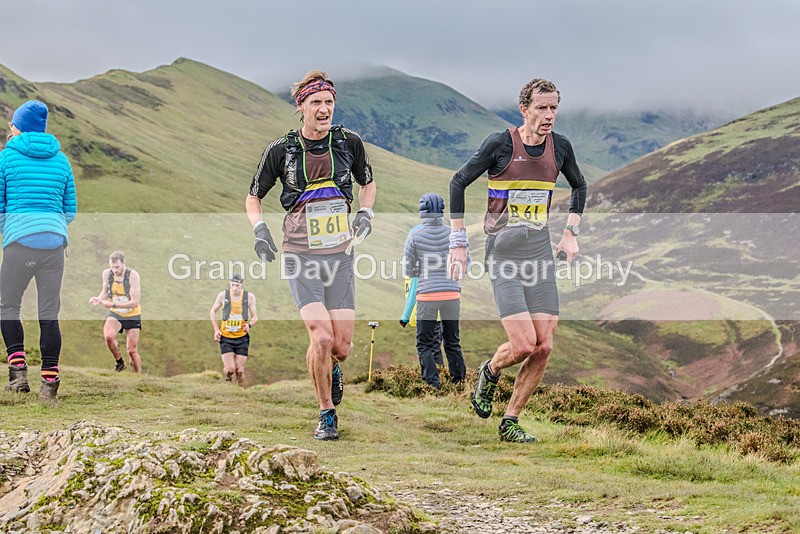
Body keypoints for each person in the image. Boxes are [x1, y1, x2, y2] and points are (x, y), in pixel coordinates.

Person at [449, 78, 587, 443]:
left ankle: (510, 420)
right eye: (541, 108)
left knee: (545, 345)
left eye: (554, 108)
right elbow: (458, 182)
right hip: (503, 254)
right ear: (523, 109)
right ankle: (491, 370)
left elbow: (580, 186)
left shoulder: (560, 149)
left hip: (539, 253)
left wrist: (570, 232)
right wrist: (458, 242)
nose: (549, 115)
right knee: (524, 344)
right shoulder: (500, 145)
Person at [246, 70, 376, 440]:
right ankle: (326, 414)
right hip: (299, 254)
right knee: (320, 337)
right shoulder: (281, 150)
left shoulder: (349, 142)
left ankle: (331, 369)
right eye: (316, 102)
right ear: (300, 105)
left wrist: (365, 214)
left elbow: (368, 183)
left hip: (340, 256)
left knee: (342, 347)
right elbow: (253, 195)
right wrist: (260, 231)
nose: (324, 109)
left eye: (329, 102)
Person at [0, 100, 77, 400]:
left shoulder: (6, 158)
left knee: (7, 306)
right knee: (49, 314)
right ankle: (49, 385)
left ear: (19, 127)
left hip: (20, 243)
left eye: (13, 124)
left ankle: (18, 374)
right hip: (54, 245)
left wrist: (13, 228)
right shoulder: (62, 160)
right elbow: (69, 210)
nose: (9, 127)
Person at [402, 193, 466, 388]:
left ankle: (433, 384)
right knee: (452, 342)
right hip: (452, 294)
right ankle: (459, 383)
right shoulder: (453, 234)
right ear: (442, 210)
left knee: (425, 343)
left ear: (422, 212)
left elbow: (408, 268)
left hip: (426, 295)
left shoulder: (414, 234)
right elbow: (465, 263)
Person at [89, 251, 142, 373]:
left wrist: (112, 304)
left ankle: (138, 377)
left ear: (124, 263)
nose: (114, 270)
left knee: (132, 351)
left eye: (117, 267)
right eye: (112, 267)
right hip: (116, 313)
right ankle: (119, 362)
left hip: (132, 314)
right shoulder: (107, 274)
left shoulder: (133, 276)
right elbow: (106, 291)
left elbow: (135, 302)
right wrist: (98, 299)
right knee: (108, 336)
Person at [210, 273, 258, 385]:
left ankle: (240, 388)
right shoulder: (223, 295)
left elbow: (255, 316)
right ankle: (228, 382)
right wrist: (216, 330)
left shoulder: (249, 297)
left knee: (240, 370)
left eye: (237, 285)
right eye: (232, 285)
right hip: (226, 337)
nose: (235, 288)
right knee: (229, 369)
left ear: (242, 285)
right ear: (229, 284)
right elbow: (213, 311)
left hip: (242, 338)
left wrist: (249, 325)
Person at [400, 275, 445, 369]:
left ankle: (438, 376)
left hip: (431, 316)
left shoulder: (417, 275)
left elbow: (412, 297)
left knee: (431, 348)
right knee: (430, 348)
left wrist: (405, 317)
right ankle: (434, 376)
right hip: (424, 316)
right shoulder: (409, 278)